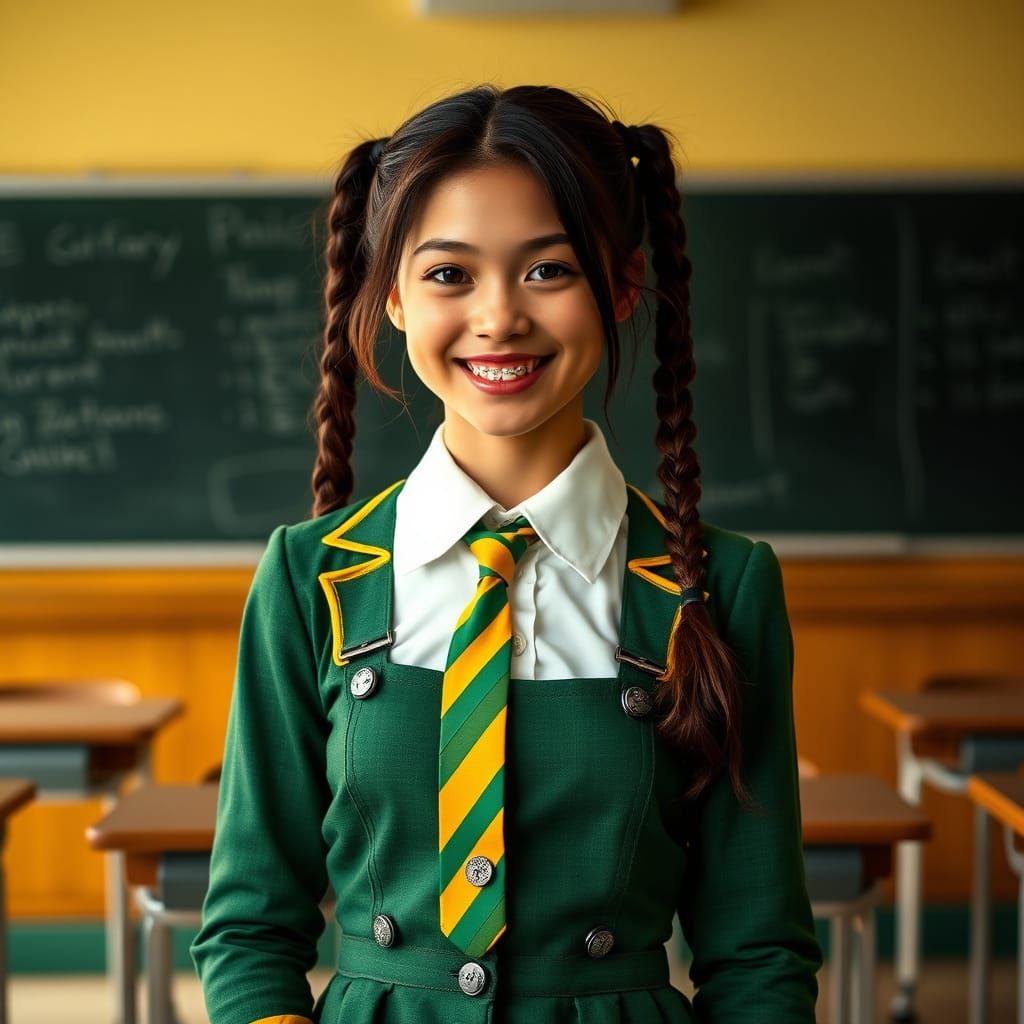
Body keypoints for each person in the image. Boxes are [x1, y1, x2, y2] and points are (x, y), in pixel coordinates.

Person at [190, 82, 823, 1024]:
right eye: (450, 274)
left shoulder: (717, 587)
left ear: (618, 287)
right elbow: (248, 930)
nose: (498, 319)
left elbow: (758, 952)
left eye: (547, 271)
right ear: (392, 296)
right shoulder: (308, 575)